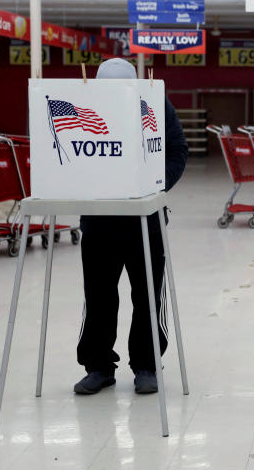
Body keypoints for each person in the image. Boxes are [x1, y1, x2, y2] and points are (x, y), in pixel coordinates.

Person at [73, 58, 189, 395]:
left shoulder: (154, 103)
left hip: (146, 219)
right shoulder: (85, 106)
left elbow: (178, 149)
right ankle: (98, 366)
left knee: (149, 296)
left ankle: (147, 366)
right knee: (97, 297)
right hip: (98, 220)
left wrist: (156, 186)